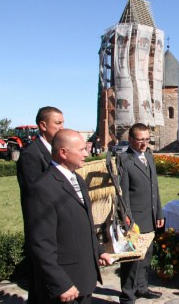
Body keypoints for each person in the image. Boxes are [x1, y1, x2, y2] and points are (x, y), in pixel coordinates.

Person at [25, 129, 112, 303]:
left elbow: (84, 223)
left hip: (84, 279)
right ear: (63, 152)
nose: (86, 154)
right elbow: (40, 244)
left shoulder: (78, 180)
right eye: (81, 150)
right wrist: (60, 283)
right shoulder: (43, 188)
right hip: (66, 285)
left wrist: (99, 251)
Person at [16, 106, 64, 304]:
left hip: (59, 226)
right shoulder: (31, 155)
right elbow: (35, 196)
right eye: (58, 123)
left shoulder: (53, 151)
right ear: (43, 125)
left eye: (63, 122)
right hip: (43, 228)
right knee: (41, 288)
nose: (62, 127)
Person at [118, 123, 164, 303]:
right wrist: (127, 218)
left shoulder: (149, 157)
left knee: (146, 256)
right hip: (135, 218)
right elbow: (122, 193)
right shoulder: (124, 159)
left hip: (150, 216)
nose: (144, 143)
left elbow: (155, 188)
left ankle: (142, 287)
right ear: (130, 140)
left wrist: (159, 213)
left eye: (147, 139)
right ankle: (128, 295)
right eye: (140, 140)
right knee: (131, 259)